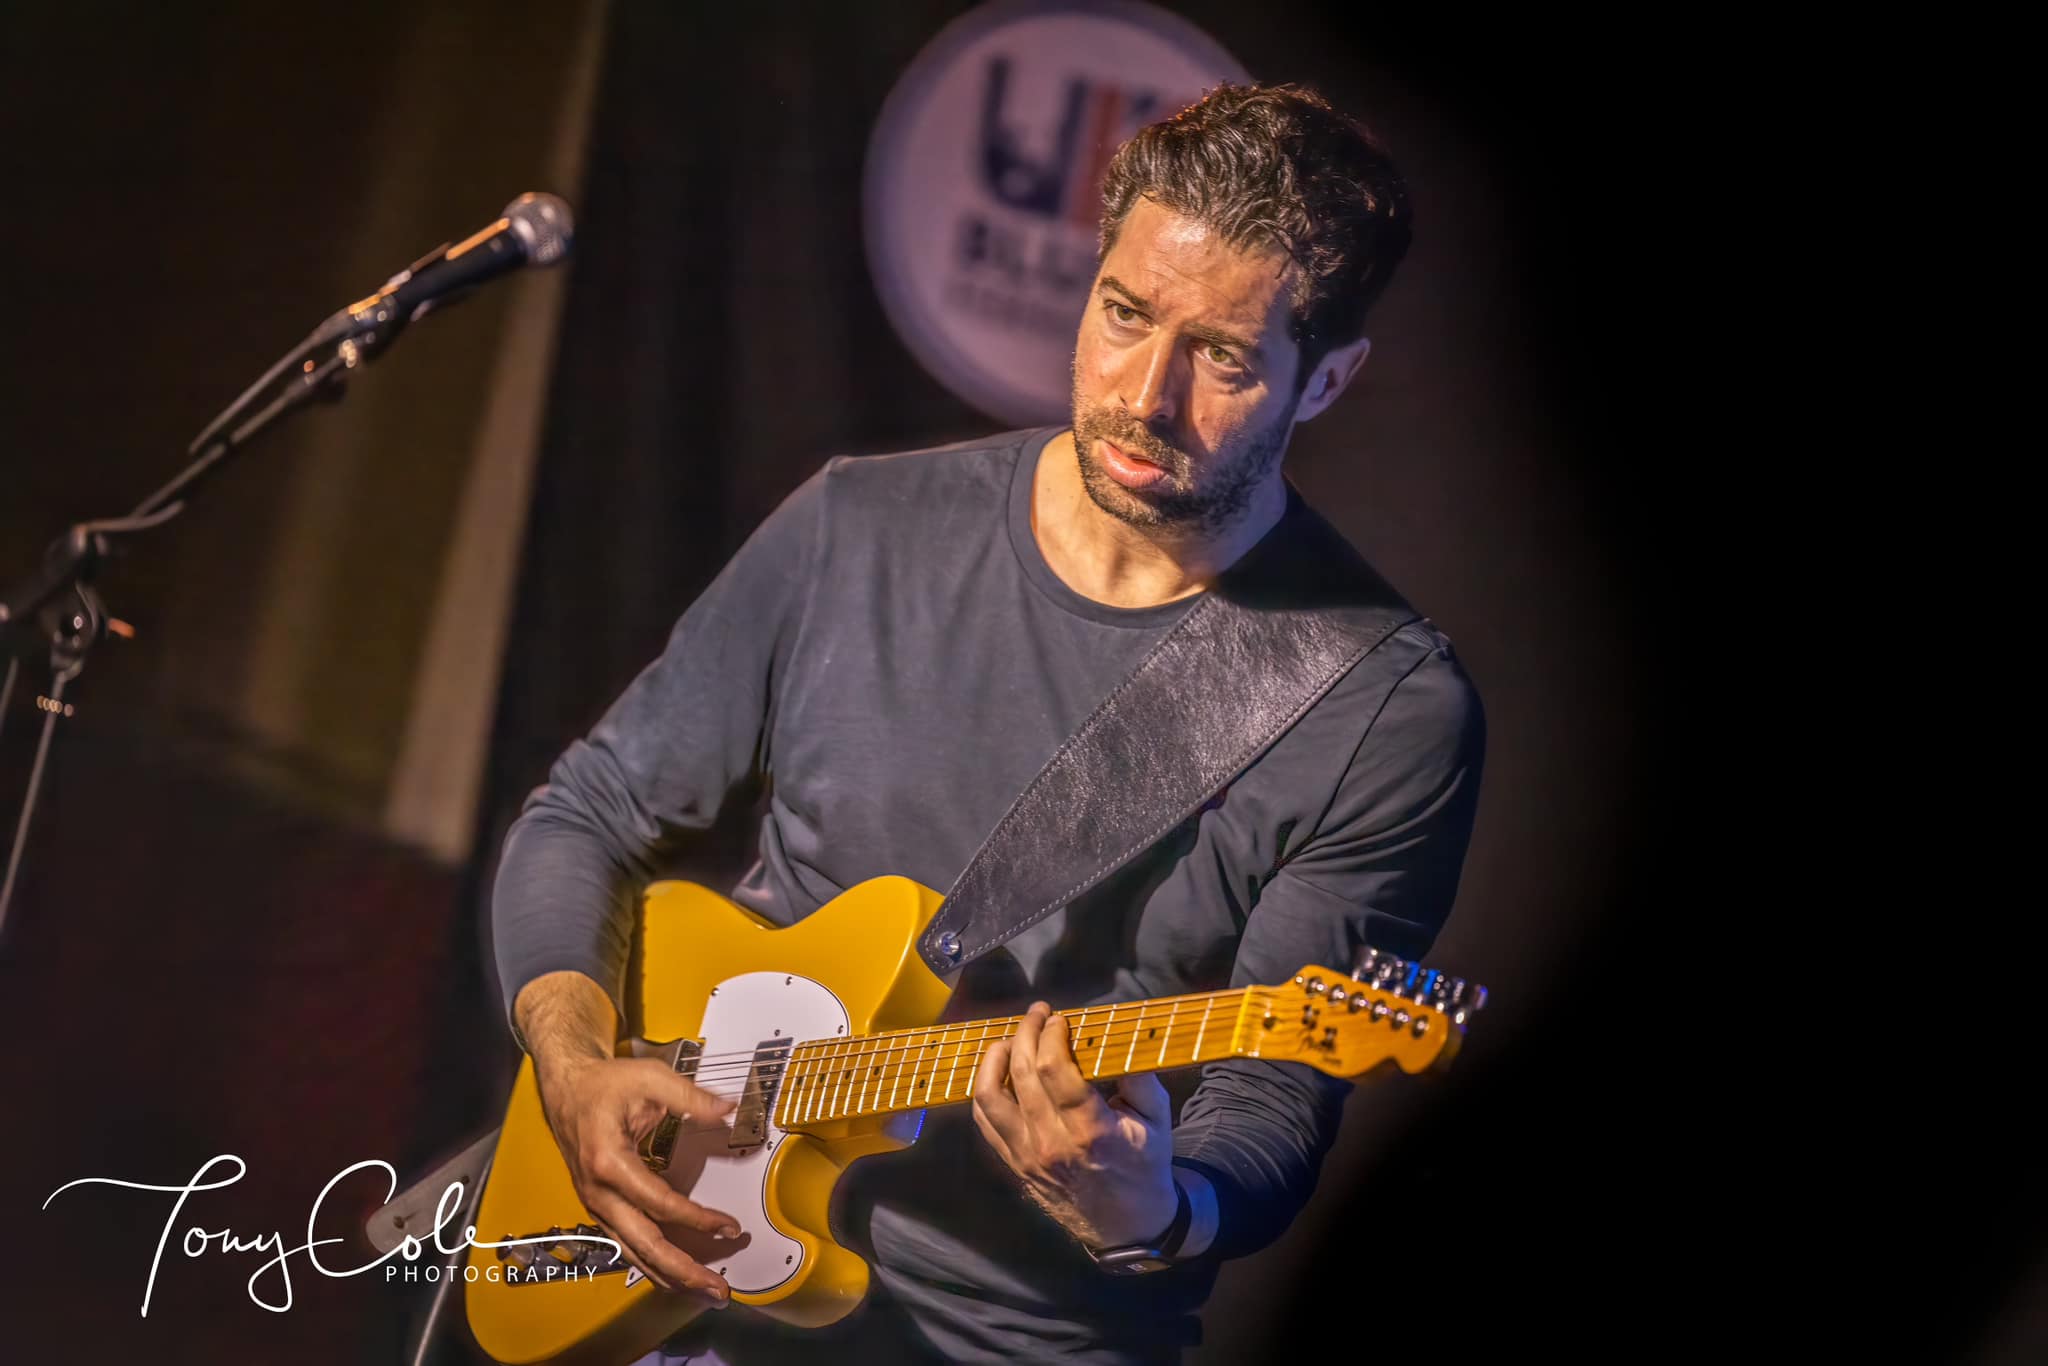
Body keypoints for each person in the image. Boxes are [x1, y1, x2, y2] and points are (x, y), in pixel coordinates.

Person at [488, 82, 1485, 1364]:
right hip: (694, 1294)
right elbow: (588, 815)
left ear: (1326, 378)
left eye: (1223, 358)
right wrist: (572, 1065)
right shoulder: (857, 526)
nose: (1146, 395)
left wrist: (1150, 1206)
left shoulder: (1384, 706)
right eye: (1123, 313)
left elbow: (1268, 1097)